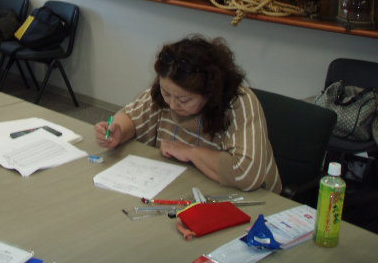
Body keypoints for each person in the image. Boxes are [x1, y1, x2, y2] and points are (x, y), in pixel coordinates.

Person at [95, 35, 281, 194]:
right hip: (186, 188)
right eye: (166, 93)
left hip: (252, 202)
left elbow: (246, 174)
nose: (172, 105)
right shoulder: (168, 92)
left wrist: (189, 152)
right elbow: (132, 116)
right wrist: (119, 131)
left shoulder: (239, 103)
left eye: (184, 100)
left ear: (210, 92)